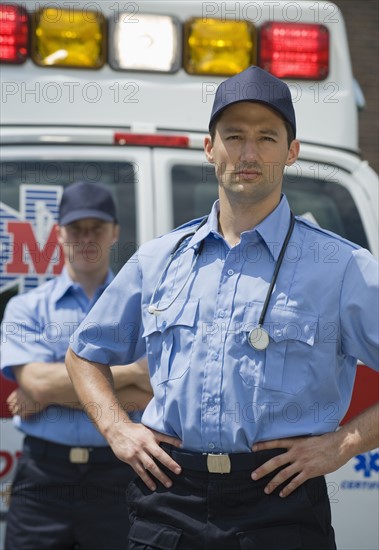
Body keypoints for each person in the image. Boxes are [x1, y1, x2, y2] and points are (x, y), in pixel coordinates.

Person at [66, 67, 379, 549]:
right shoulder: (158, 259)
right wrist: (116, 429)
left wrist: (343, 445)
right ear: (210, 148)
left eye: (267, 138)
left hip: (281, 504)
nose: (248, 153)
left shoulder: (342, 267)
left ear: (291, 152)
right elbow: (84, 353)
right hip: (168, 498)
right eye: (233, 136)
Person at [1, 181, 152, 550]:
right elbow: (37, 384)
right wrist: (130, 374)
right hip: (42, 477)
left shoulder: (143, 308)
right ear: (59, 233)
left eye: (96, 228)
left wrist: (49, 393)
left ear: (115, 232)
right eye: (76, 228)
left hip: (118, 472)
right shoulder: (26, 307)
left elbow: (150, 395)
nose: (86, 238)